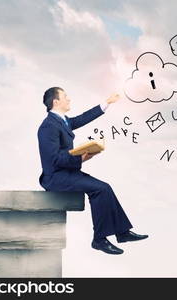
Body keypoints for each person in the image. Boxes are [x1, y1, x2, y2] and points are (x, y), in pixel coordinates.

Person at [37, 87, 148, 255]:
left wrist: (107, 103)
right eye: (65, 97)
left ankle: (122, 232)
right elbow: (53, 159)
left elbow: (82, 119)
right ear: (56, 102)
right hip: (55, 178)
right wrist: (79, 158)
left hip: (67, 173)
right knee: (100, 189)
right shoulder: (48, 126)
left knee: (105, 187)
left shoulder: (62, 121)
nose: (69, 99)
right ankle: (99, 240)